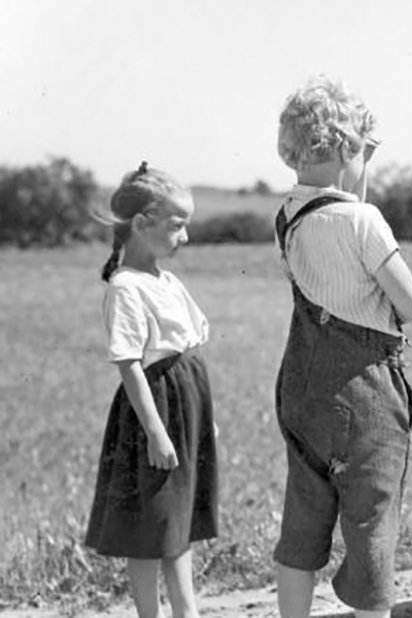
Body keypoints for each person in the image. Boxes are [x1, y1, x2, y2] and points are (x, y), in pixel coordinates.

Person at [271, 76, 412, 618]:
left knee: (305, 512)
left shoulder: (287, 216)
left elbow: (333, 209)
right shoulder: (365, 220)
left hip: (301, 383)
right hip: (362, 391)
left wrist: (353, 165)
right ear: (347, 151)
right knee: (371, 518)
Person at [85, 162, 219, 618]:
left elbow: (189, 346)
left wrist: (204, 421)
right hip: (154, 413)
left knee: (175, 520)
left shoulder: (167, 281)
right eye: (177, 226)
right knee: (148, 522)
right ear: (142, 224)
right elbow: (130, 365)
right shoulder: (126, 287)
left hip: (185, 406)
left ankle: (187, 610)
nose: (184, 237)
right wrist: (157, 432)